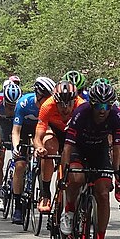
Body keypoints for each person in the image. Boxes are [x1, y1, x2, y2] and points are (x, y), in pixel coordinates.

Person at [59, 81, 120, 239]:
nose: (102, 110)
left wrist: (117, 172)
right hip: (78, 148)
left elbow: (118, 149)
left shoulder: (116, 116)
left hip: (99, 151)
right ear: (92, 104)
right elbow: (67, 147)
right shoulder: (81, 113)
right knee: (77, 178)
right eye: (98, 106)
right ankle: (69, 210)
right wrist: (65, 174)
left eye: (106, 106)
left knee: (103, 194)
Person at [10, 76, 56, 224]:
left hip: (41, 130)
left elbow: (49, 130)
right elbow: (16, 131)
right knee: (20, 165)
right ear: (38, 95)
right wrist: (17, 146)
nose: (50, 100)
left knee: (45, 156)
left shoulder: (50, 106)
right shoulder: (24, 103)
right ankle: (17, 206)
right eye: (47, 97)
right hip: (24, 130)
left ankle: (44, 191)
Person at [33, 80, 84, 212]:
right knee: (48, 146)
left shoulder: (82, 106)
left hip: (73, 134)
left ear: (75, 101)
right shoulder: (47, 105)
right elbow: (38, 134)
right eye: (60, 104)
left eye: (69, 104)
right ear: (55, 101)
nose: (65, 109)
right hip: (55, 131)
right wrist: (39, 147)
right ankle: (45, 194)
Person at [0, 81, 22, 211]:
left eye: (13, 105)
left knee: (22, 159)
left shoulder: (21, 105)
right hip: (2, 126)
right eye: (9, 105)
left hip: (17, 125)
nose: (11, 108)